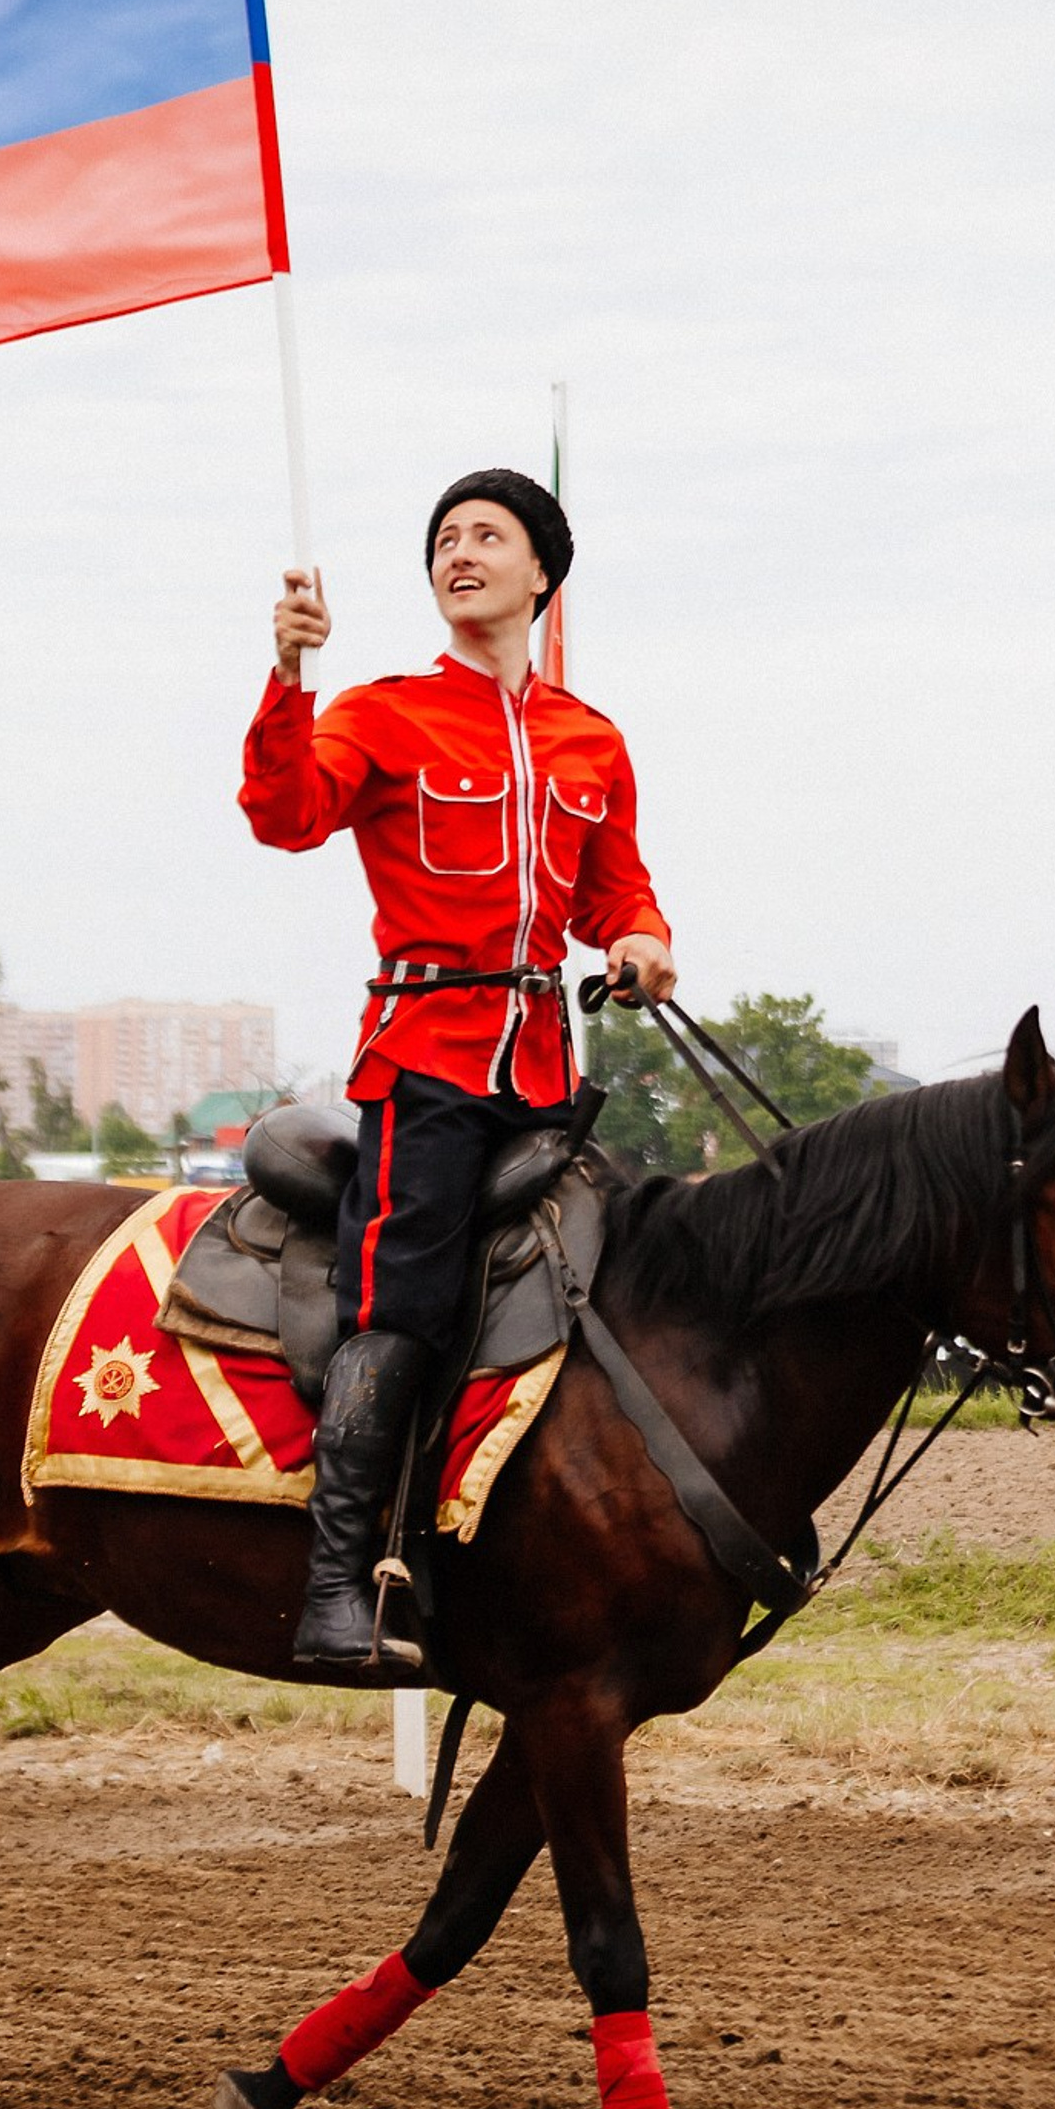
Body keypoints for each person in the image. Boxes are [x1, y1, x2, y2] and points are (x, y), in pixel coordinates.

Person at [240, 468, 677, 1666]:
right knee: (406, 1301)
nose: (461, 551)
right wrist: (289, 678)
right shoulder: (380, 713)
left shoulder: (592, 739)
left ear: (542, 572)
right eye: (444, 538)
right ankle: (338, 1587)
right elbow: (282, 812)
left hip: (545, 1073)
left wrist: (642, 941)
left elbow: (613, 890)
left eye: (488, 535)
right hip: (423, 1070)